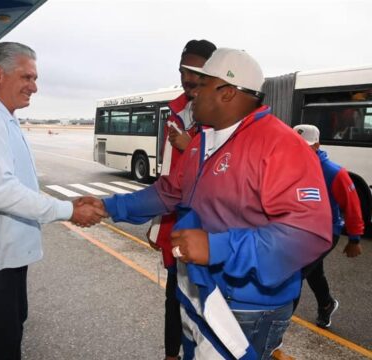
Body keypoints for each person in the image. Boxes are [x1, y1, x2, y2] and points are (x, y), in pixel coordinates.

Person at [89, 48, 332, 359]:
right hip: (197, 291)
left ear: (227, 93)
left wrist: (219, 248)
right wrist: (108, 206)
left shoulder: (280, 145)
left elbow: (309, 233)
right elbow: (167, 192)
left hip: (244, 307)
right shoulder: (201, 142)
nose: (191, 96)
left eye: (200, 86)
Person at [0, 42, 106, 360]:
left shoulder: (3, 117)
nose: (34, 86)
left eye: (35, 78)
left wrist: (71, 203)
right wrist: (69, 210)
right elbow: (1, 192)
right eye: (27, 77)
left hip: (4, 256)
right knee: (1, 345)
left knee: (10, 330)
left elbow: (18, 183)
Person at [147, 39, 216, 360]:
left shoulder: (225, 113)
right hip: (177, 220)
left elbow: (228, 176)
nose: (187, 78)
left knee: (207, 300)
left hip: (210, 228)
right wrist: (157, 220)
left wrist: (192, 147)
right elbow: (167, 174)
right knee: (174, 293)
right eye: (182, 70)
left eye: (195, 71)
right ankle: (171, 355)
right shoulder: (176, 112)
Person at [293, 124, 364, 328]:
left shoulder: (334, 172)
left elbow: (352, 206)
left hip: (325, 232)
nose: (298, 149)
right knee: (313, 272)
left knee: (293, 274)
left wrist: (354, 238)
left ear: (317, 144)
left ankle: (277, 328)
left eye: (304, 145)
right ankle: (326, 305)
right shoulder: (289, 165)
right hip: (298, 229)